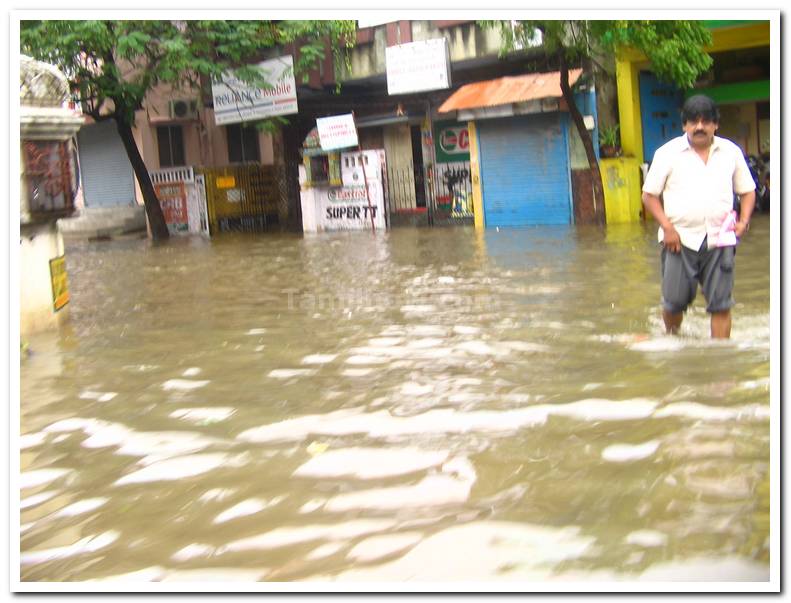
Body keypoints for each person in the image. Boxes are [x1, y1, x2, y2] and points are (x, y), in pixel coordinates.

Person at [641, 94, 756, 339]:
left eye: (706, 121)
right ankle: (673, 340)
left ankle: (721, 363)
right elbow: (649, 196)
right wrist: (667, 228)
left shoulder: (731, 152)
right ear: (684, 125)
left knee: (721, 305)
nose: (699, 127)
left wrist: (744, 221)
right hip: (678, 241)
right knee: (673, 304)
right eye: (693, 121)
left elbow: (747, 191)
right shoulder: (667, 154)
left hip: (721, 239)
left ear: (716, 124)